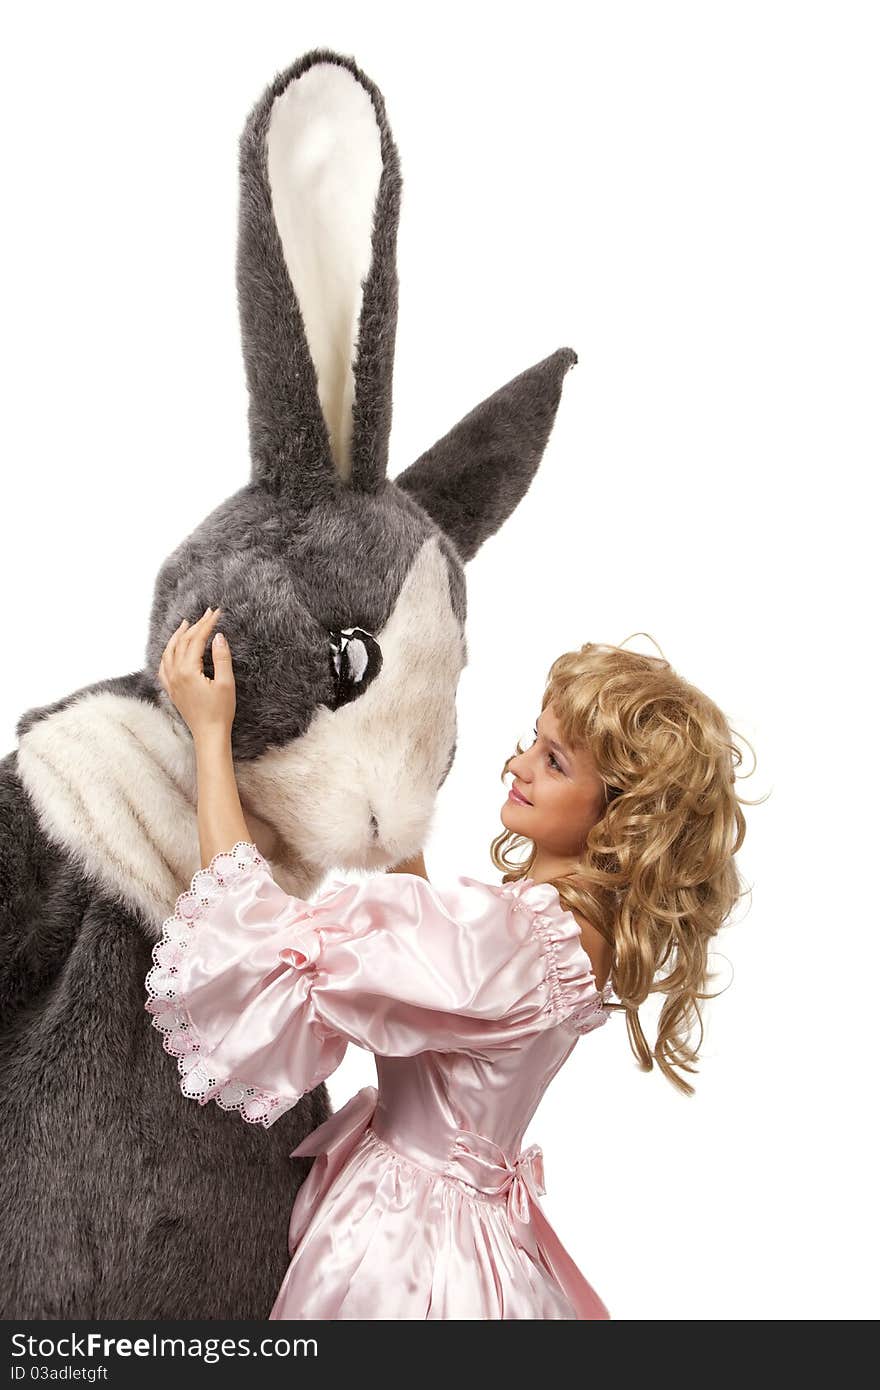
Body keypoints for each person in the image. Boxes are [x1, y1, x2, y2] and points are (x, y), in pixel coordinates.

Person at [146, 608, 753, 1319]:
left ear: (621, 817)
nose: (519, 764)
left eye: (555, 762)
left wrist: (211, 735)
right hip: (476, 1235)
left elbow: (260, 941)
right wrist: (394, 797)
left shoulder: (515, 939)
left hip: (406, 1252)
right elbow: (439, 980)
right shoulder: (574, 932)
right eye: (536, 739)